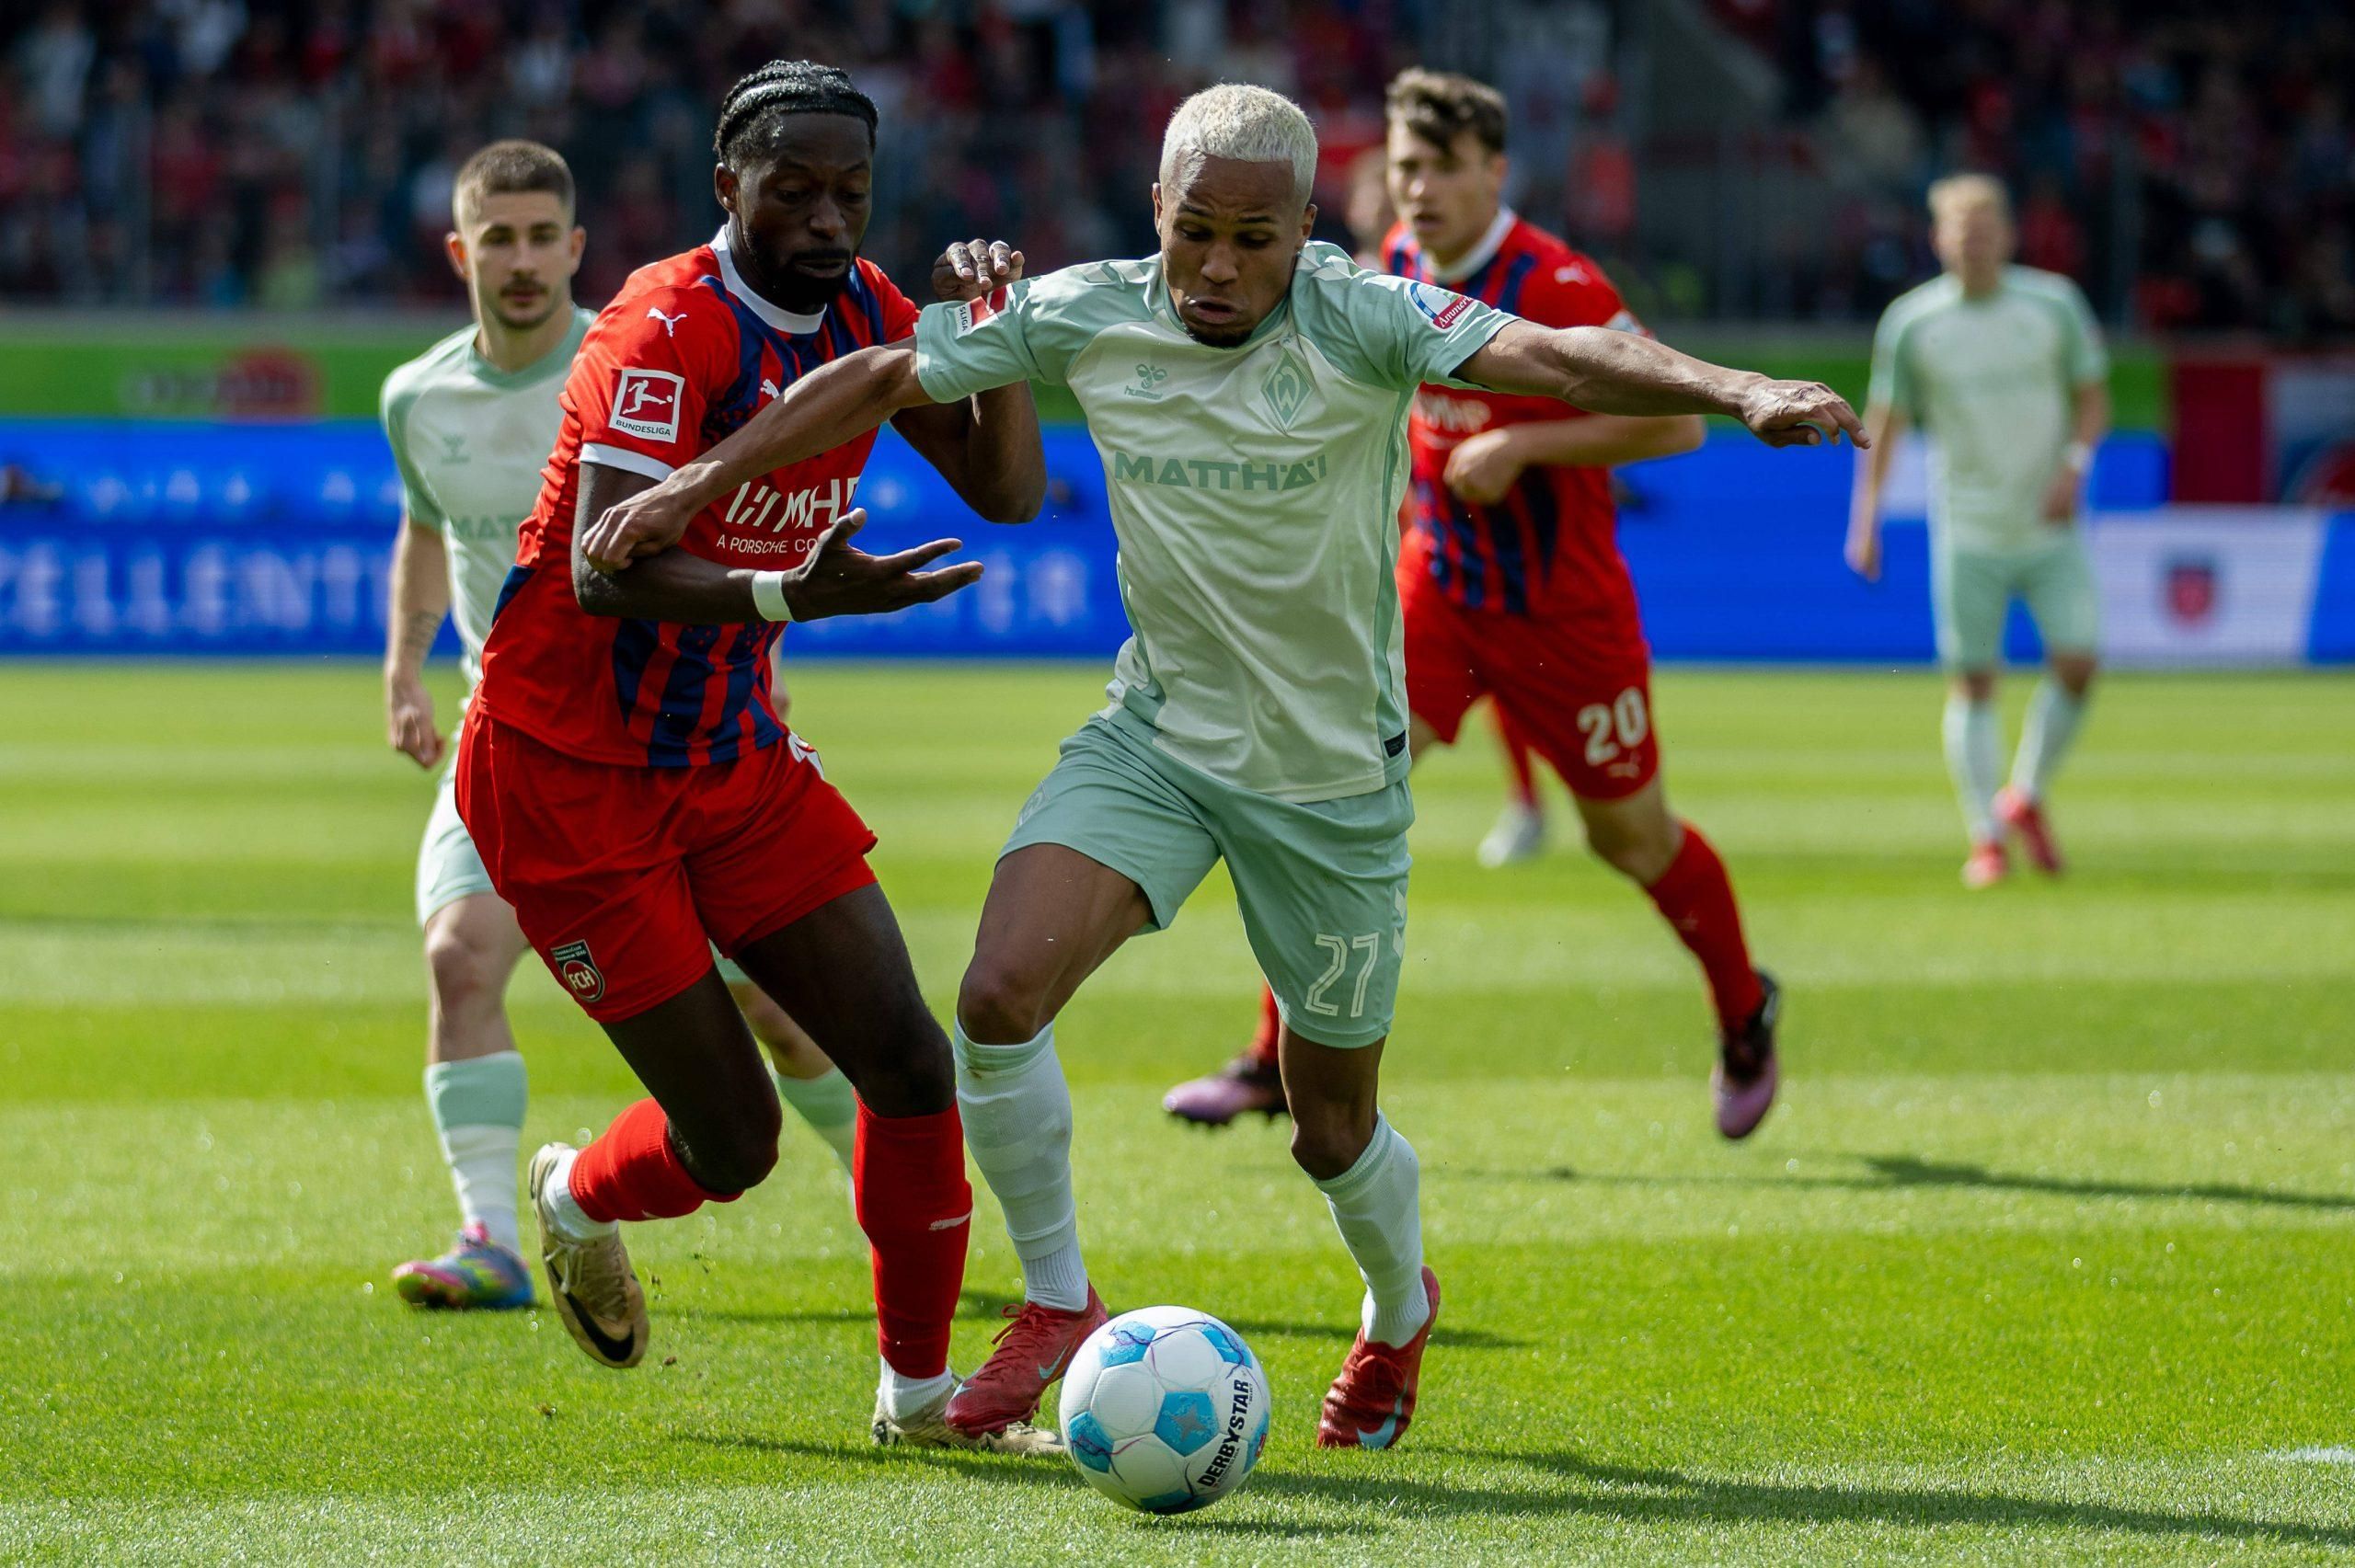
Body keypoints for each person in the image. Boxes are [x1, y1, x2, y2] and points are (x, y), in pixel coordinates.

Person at [582, 83, 1861, 1453]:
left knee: (1328, 1128)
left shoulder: (1366, 315)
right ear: (1157, 211)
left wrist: (1741, 390)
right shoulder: (1091, 307)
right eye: (1194, 230)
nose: (1217, 267)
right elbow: (886, 374)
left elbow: (1558, 357)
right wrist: (689, 486)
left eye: (1255, 239)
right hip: (1159, 739)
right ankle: (1058, 1300)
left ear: (1306, 229)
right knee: (997, 997)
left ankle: (1395, 1310)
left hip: (1328, 781)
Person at [453, 63, 1054, 1452]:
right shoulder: (666, 325)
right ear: (728, 185)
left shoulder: (871, 309)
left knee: (909, 1061)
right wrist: (792, 594)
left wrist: (1002, 337)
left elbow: (1007, 489)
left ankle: (919, 1402)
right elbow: (607, 572)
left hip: (730, 751)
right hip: (565, 772)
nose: (829, 217)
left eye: (852, 190)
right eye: (795, 188)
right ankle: (573, 1196)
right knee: (735, 1144)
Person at [1164, 71, 1781, 1141]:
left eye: (1443, 167)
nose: (1419, 187)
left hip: (1563, 615)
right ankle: (1272, 1057)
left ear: (1495, 171)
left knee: (1631, 840)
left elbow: (1676, 425)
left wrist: (1525, 444)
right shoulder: (1393, 263)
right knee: (1327, 799)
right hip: (1435, 593)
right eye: (1406, 166)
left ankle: (1742, 1008)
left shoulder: (1558, 280)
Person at [378, 142, 865, 1313]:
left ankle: (881, 1202)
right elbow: (427, 530)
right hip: (513, 742)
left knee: (777, 1009)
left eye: (543, 236)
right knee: (457, 959)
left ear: (576, 248)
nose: (523, 259)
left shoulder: (640, 356)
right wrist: (403, 668)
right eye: (499, 238)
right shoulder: (417, 398)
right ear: (460, 253)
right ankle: (492, 1239)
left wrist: (764, 659)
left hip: (669, 736)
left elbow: (728, 523)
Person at [1848, 173, 2109, 888]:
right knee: (1973, 682)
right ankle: (1986, 837)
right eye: (1962, 232)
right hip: (1967, 527)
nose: (1975, 244)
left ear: (2009, 235)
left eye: (1986, 230)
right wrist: (1864, 518)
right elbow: (1886, 422)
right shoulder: (1912, 322)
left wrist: (2074, 467)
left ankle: (2024, 793)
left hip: (2050, 522)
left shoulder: (2053, 305)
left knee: (2080, 661)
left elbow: (2092, 398)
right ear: (1938, 240)